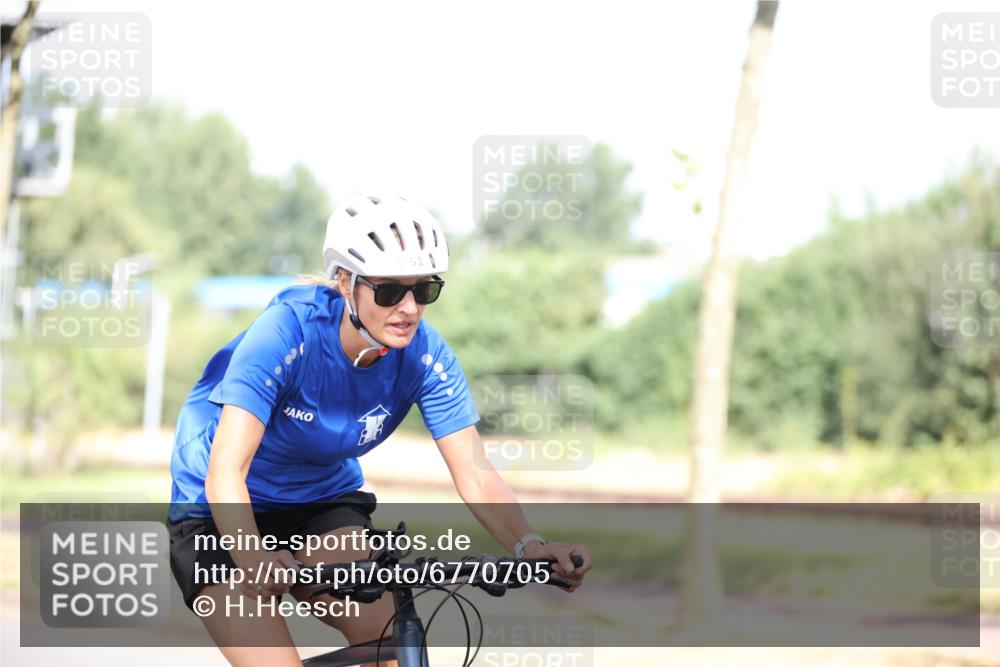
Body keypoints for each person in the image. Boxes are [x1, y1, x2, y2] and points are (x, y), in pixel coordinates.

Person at [167, 194, 593, 667]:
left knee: (390, 644)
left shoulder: (425, 356)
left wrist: (530, 546)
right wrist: (250, 555)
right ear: (346, 283)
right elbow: (227, 468)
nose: (409, 308)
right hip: (218, 510)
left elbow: (476, 472)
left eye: (424, 290)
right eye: (389, 291)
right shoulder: (286, 333)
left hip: (318, 503)